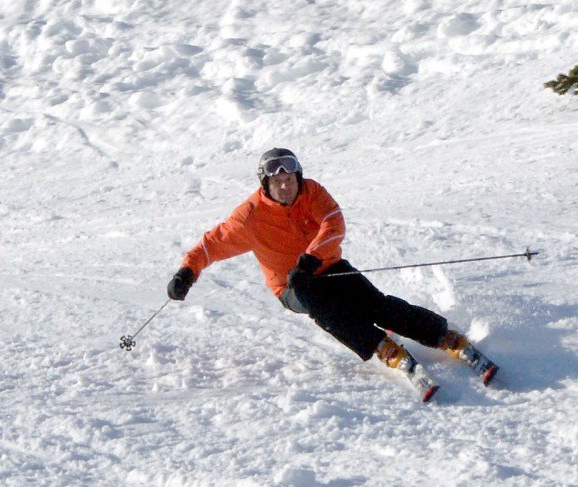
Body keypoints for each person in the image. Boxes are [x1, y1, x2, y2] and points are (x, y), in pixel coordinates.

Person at [167, 147, 495, 398]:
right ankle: (384, 348)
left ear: (299, 178)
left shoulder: (312, 193)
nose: (285, 186)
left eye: (290, 180)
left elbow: (334, 223)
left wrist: (311, 258)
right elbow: (211, 245)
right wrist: (186, 272)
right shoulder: (249, 217)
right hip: (291, 286)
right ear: (265, 184)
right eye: (278, 181)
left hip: (327, 267)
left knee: (376, 305)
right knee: (323, 307)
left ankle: (446, 337)